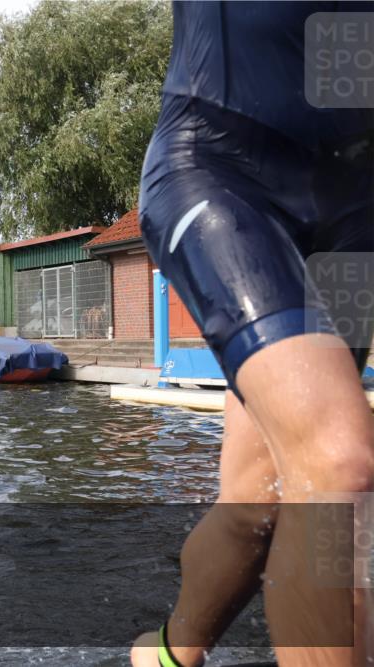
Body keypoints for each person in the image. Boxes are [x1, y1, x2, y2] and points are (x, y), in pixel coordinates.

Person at [131, 4, 374, 667]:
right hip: (222, 166)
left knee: (253, 504)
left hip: (355, 220)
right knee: (336, 464)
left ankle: (164, 655)